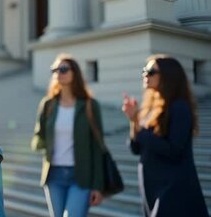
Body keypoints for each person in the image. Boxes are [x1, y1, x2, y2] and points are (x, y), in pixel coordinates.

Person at [122, 55, 209, 216]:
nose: (145, 75)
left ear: (169, 75)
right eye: (144, 71)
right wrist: (133, 120)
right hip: (152, 187)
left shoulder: (179, 107)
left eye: (151, 71)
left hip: (173, 188)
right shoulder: (149, 108)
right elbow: (135, 148)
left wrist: (139, 127)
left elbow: (174, 149)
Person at [31, 54, 104, 217]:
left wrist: (98, 185)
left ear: (74, 73)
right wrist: (39, 141)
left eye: (63, 69)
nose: (59, 73)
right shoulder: (48, 105)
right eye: (55, 70)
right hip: (54, 175)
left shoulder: (90, 105)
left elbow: (98, 148)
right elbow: (39, 135)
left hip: (81, 175)